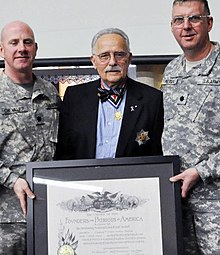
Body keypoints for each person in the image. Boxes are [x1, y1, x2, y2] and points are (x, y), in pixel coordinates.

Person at [162, 0, 220, 254]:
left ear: (209, 23)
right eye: (178, 20)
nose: (186, 27)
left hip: (215, 204)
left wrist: (201, 170)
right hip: (177, 204)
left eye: (194, 18)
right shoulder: (172, 70)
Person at [56, 28, 164, 160]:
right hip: (83, 178)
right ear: (93, 61)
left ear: (129, 59)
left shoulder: (152, 100)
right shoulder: (74, 97)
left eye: (119, 55)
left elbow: (156, 154)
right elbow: (64, 151)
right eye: (104, 56)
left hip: (132, 179)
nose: (112, 62)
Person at [0, 21, 60, 254]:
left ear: (36, 48)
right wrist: (12, 179)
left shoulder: (49, 91)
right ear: (2, 50)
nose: (21, 48)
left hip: (48, 211)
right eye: (13, 43)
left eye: (27, 42)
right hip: (7, 221)